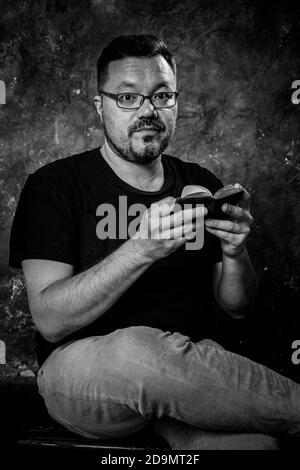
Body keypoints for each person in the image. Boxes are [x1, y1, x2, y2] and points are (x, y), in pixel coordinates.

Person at [9, 34, 300, 450]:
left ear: (176, 102)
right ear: (100, 106)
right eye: (128, 98)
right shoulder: (54, 186)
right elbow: (51, 320)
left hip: (185, 381)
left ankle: (174, 429)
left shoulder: (200, 184)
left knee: (256, 447)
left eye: (162, 95)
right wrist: (139, 249)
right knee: (138, 350)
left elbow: (237, 306)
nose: (148, 110)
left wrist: (236, 252)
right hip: (83, 376)